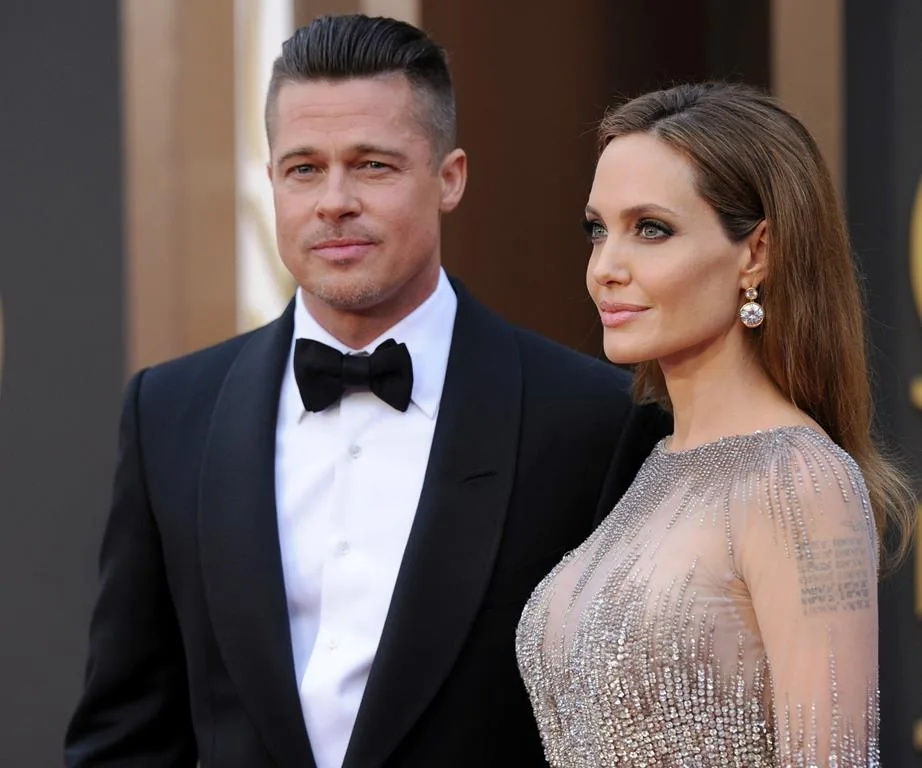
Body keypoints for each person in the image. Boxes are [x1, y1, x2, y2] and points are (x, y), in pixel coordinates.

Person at [64, 14, 668, 768]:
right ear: (272, 182)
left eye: (372, 165)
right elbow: (126, 734)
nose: (334, 201)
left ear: (450, 179)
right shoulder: (168, 412)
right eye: (304, 168)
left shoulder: (592, 420)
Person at [517, 81, 917, 767]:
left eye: (651, 229)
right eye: (597, 229)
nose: (606, 267)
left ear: (756, 253)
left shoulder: (799, 480)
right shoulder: (658, 467)